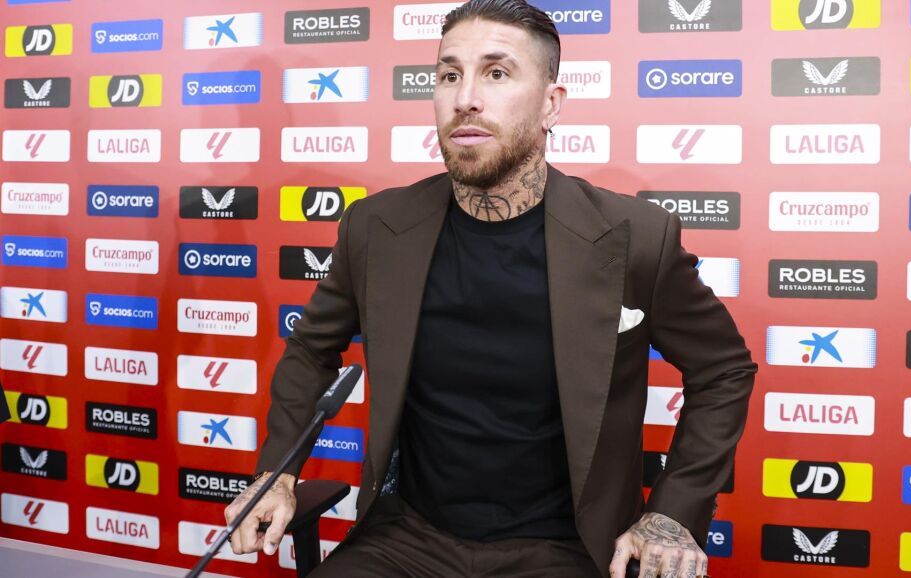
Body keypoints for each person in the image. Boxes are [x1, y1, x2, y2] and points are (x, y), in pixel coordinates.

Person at [225, 1, 756, 577]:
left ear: (551, 104)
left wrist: (673, 512)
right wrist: (277, 472)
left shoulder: (635, 237)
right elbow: (311, 349)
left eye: (497, 73)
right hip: (405, 538)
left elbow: (723, 369)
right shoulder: (376, 228)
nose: (465, 98)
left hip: (567, 549)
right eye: (449, 75)